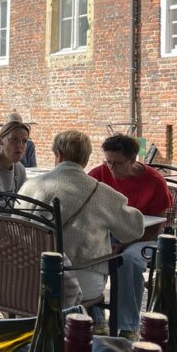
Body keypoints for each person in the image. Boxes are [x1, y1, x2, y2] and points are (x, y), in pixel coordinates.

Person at [19, 130, 144, 317]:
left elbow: (15, 226)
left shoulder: (31, 186)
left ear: (58, 155)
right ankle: (91, 324)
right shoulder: (101, 192)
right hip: (79, 282)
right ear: (86, 160)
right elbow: (135, 229)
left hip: (27, 281)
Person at [88, 133, 173, 339]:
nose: (111, 168)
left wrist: (125, 243)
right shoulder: (99, 174)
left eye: (117, 163)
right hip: (109, 235)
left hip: (144, 238)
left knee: (129, 260)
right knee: (88, 252)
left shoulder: (154, 181)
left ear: (133, 159)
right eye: (108, 162)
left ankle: (128, 327)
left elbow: (157, 226)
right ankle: (96, 319)